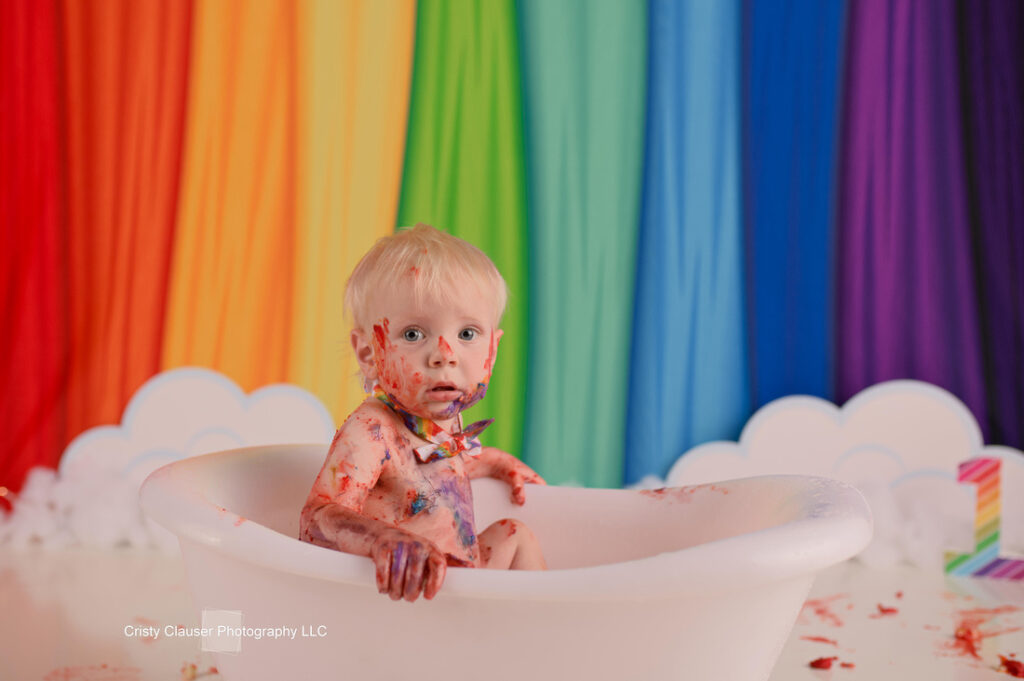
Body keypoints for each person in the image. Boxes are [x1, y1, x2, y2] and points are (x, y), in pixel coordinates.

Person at [299, 223, 547, 602]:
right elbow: (317, 517)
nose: (444, 354)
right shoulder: (374, 430)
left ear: (491, 352)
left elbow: (433, 468)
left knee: (516, 534)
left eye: (467, 334)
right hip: (410, 594)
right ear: (369, 353)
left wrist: (495, 462)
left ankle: (541, 639)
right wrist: (384, 540)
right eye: (414, 334)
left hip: (461, 585)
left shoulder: (441, 422)